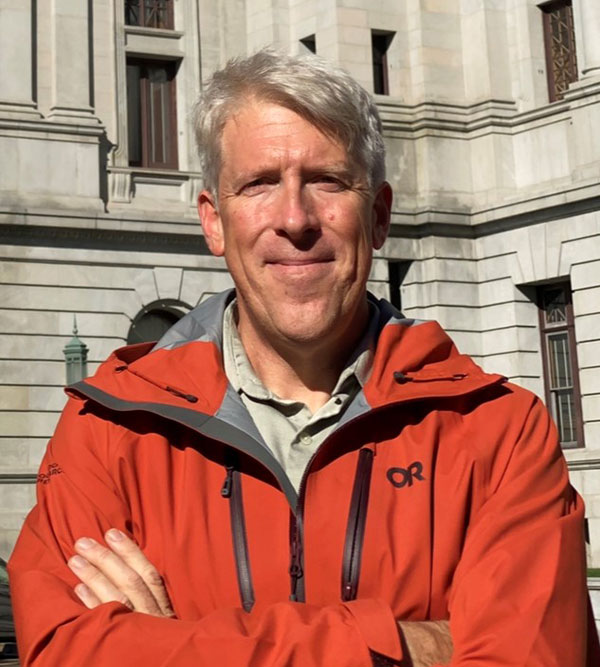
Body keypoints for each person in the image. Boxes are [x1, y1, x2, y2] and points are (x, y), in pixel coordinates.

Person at [8, 49, 600, 667]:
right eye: (260, 183)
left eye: (327, 181)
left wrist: (169, 647)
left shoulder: (500, 433)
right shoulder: (109, 429)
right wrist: (404, 643)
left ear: (379, 216)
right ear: (214, 222)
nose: (295, 219)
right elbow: (63, 653)